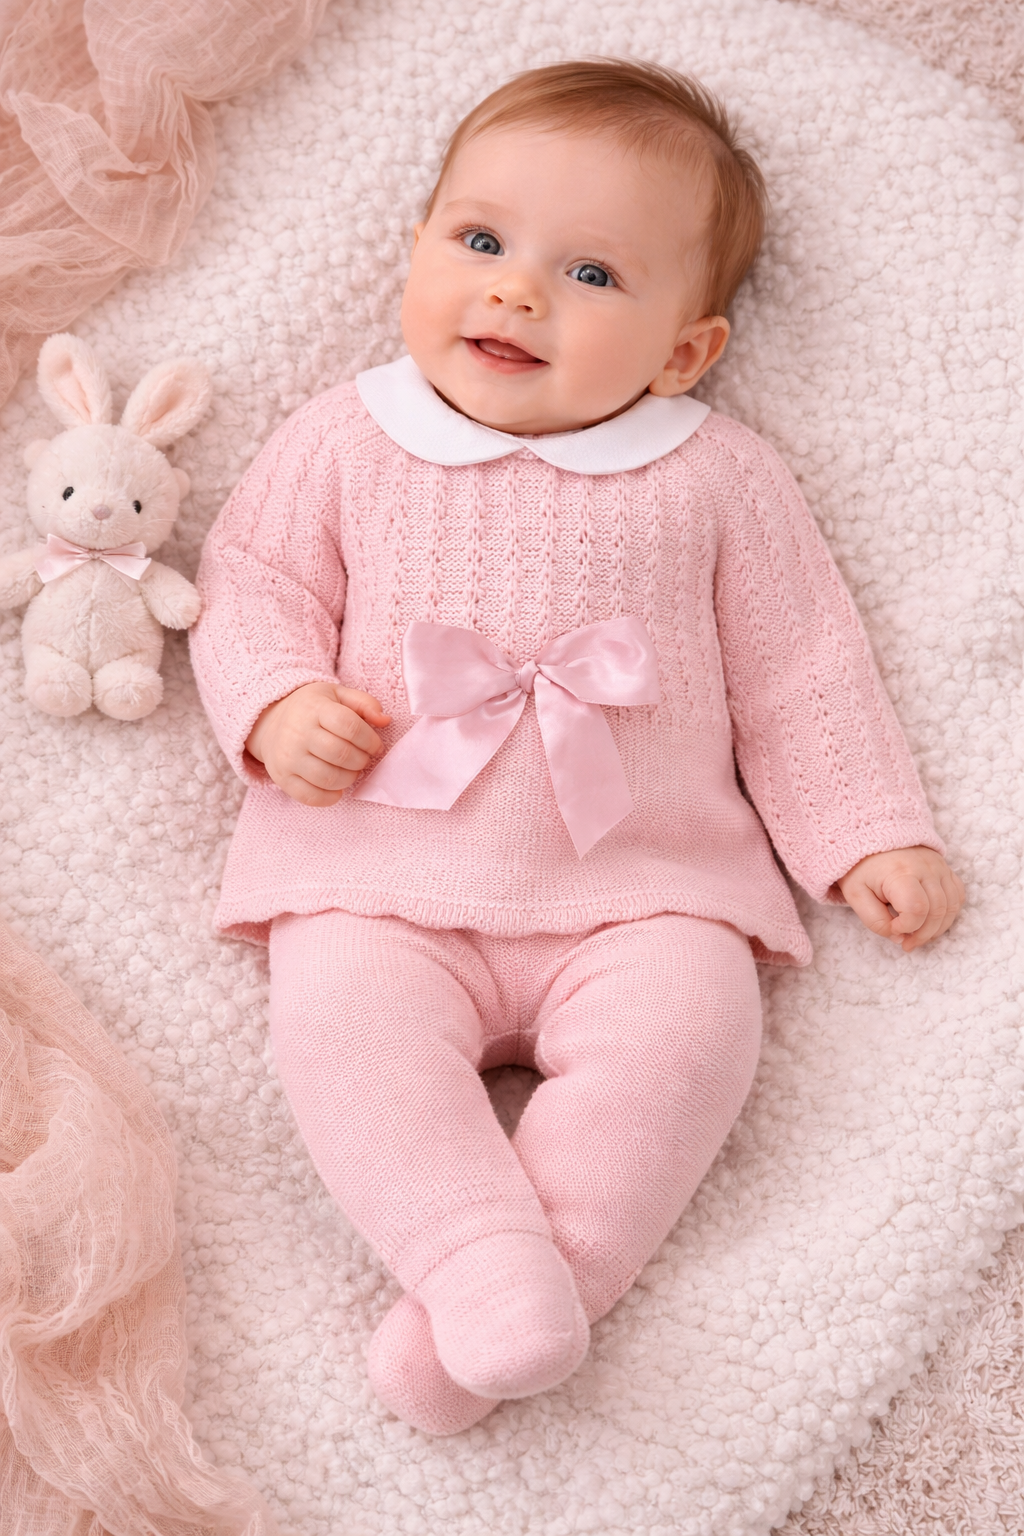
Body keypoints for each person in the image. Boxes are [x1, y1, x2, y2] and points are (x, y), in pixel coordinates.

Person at [190, 59, 964, 1435]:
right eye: (479, 243)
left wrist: (864, 832)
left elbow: (802, 674)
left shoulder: (719, 478)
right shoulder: (348, 440)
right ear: (418, 249)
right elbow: (251, 585)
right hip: (379, 873)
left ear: (684, 351)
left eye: (592, 274)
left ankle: (504, 1307)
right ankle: (474, 1255)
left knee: (691, 1039)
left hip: (642, 888)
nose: (517, 291)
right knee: (343, 1031)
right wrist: (271, 703)